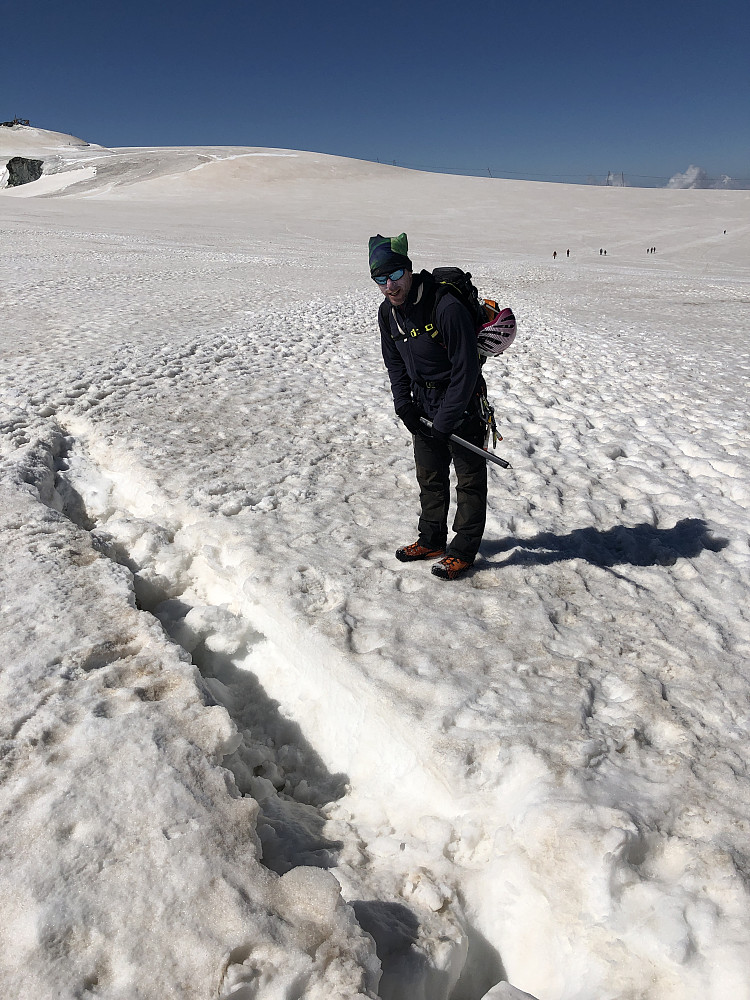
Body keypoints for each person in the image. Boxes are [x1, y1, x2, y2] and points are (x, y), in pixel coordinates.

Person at [369, 233, 489, 581]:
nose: (389, 286)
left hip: (462, 402)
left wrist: (446, 420)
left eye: (394, 275)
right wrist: (403, 405)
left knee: (468, 480)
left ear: (408, 270)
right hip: (422, 403)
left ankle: (463, 551)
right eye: (380, 279)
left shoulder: (445, 308)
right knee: (430, 476)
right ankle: (432, 540)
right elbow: (394, 363)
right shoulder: (387, 314)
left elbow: (465, 370)